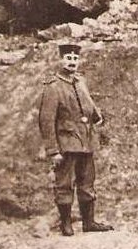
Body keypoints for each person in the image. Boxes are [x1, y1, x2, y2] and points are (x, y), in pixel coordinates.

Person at [37, 42, 113, 236]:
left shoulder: (80, 81)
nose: (72, 62)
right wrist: (52, 150)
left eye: (75, 59)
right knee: (64, 184)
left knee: (87, 182)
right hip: (67, 144)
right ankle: (66, 223)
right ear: (61, 60)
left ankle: (89, 222)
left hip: (86, 141)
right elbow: (46, 121)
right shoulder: (53, 86)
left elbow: (88, 102)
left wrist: (97, 115)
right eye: (68, 58)